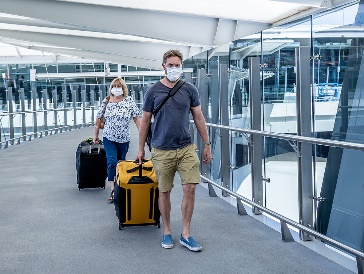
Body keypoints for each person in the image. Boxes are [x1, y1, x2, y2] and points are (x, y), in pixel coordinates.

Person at [137, 49, 212, 252]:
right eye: (170, 65)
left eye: (177, 65)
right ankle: (167, 231)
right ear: (163, 66)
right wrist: (140, 149)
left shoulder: (189, 90)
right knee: (165, 191)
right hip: (161, 149)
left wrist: (207, 143)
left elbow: (198, 117)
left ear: (181, 67)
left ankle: (186, 233)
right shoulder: (153, 91)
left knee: (190, 188)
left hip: (186, 147)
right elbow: (145, 120)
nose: (174, 68)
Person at [94, 77, 140, 202]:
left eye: (119, 86)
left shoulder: (129, 101)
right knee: (112, 162)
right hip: (109, 137)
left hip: (124, 139)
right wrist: (96, 135)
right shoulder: (107, 101)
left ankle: (120, 186)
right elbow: (98, 119)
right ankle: (113, 190)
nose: (116, 88)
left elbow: (136, 118)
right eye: (114, 86)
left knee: (121, 163)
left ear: (123, 88)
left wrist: (143, 134)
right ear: (111, 88)